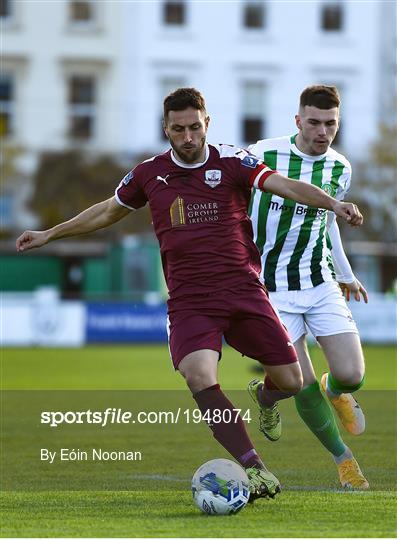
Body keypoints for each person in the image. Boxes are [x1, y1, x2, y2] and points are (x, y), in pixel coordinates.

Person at [16, 87, 363, 500]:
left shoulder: (234, 160)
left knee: (291, 381)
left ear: (207, 124)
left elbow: (284, 186)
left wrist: (332, 204)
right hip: (190, 301)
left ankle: (265, 396)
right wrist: (49, 233)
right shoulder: (149, 173)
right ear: (166, 128)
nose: (188, 137)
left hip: (244, 292)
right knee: (199, 376)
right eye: (178, 129)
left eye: (195, 127)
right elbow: (108, 210)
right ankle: (254, 468)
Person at [247, 85, 369, 490]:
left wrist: (346, 272)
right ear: (298, 120)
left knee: (351, 375)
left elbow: (328, 222)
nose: (322, 131)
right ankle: (343, 460)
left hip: (318, 281)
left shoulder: (340, 168)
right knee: (294, 384)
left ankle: (336, 392)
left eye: (330, 123)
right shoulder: (262, 154)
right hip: (270, 288)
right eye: (314, 122)